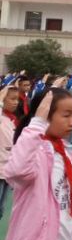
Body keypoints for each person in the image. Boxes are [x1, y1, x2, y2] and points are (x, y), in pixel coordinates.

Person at [5, 88, 72, 240]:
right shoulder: (36, 152)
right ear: (45, 116)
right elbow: (16, 170)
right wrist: (37, 123)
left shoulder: (68, 152)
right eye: (66, 115)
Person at [0, 85, 19, 220]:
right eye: (12, 99)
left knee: (1, 208)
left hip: (7, 170)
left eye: (17, 99)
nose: (16, 102)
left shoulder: (12, 119)